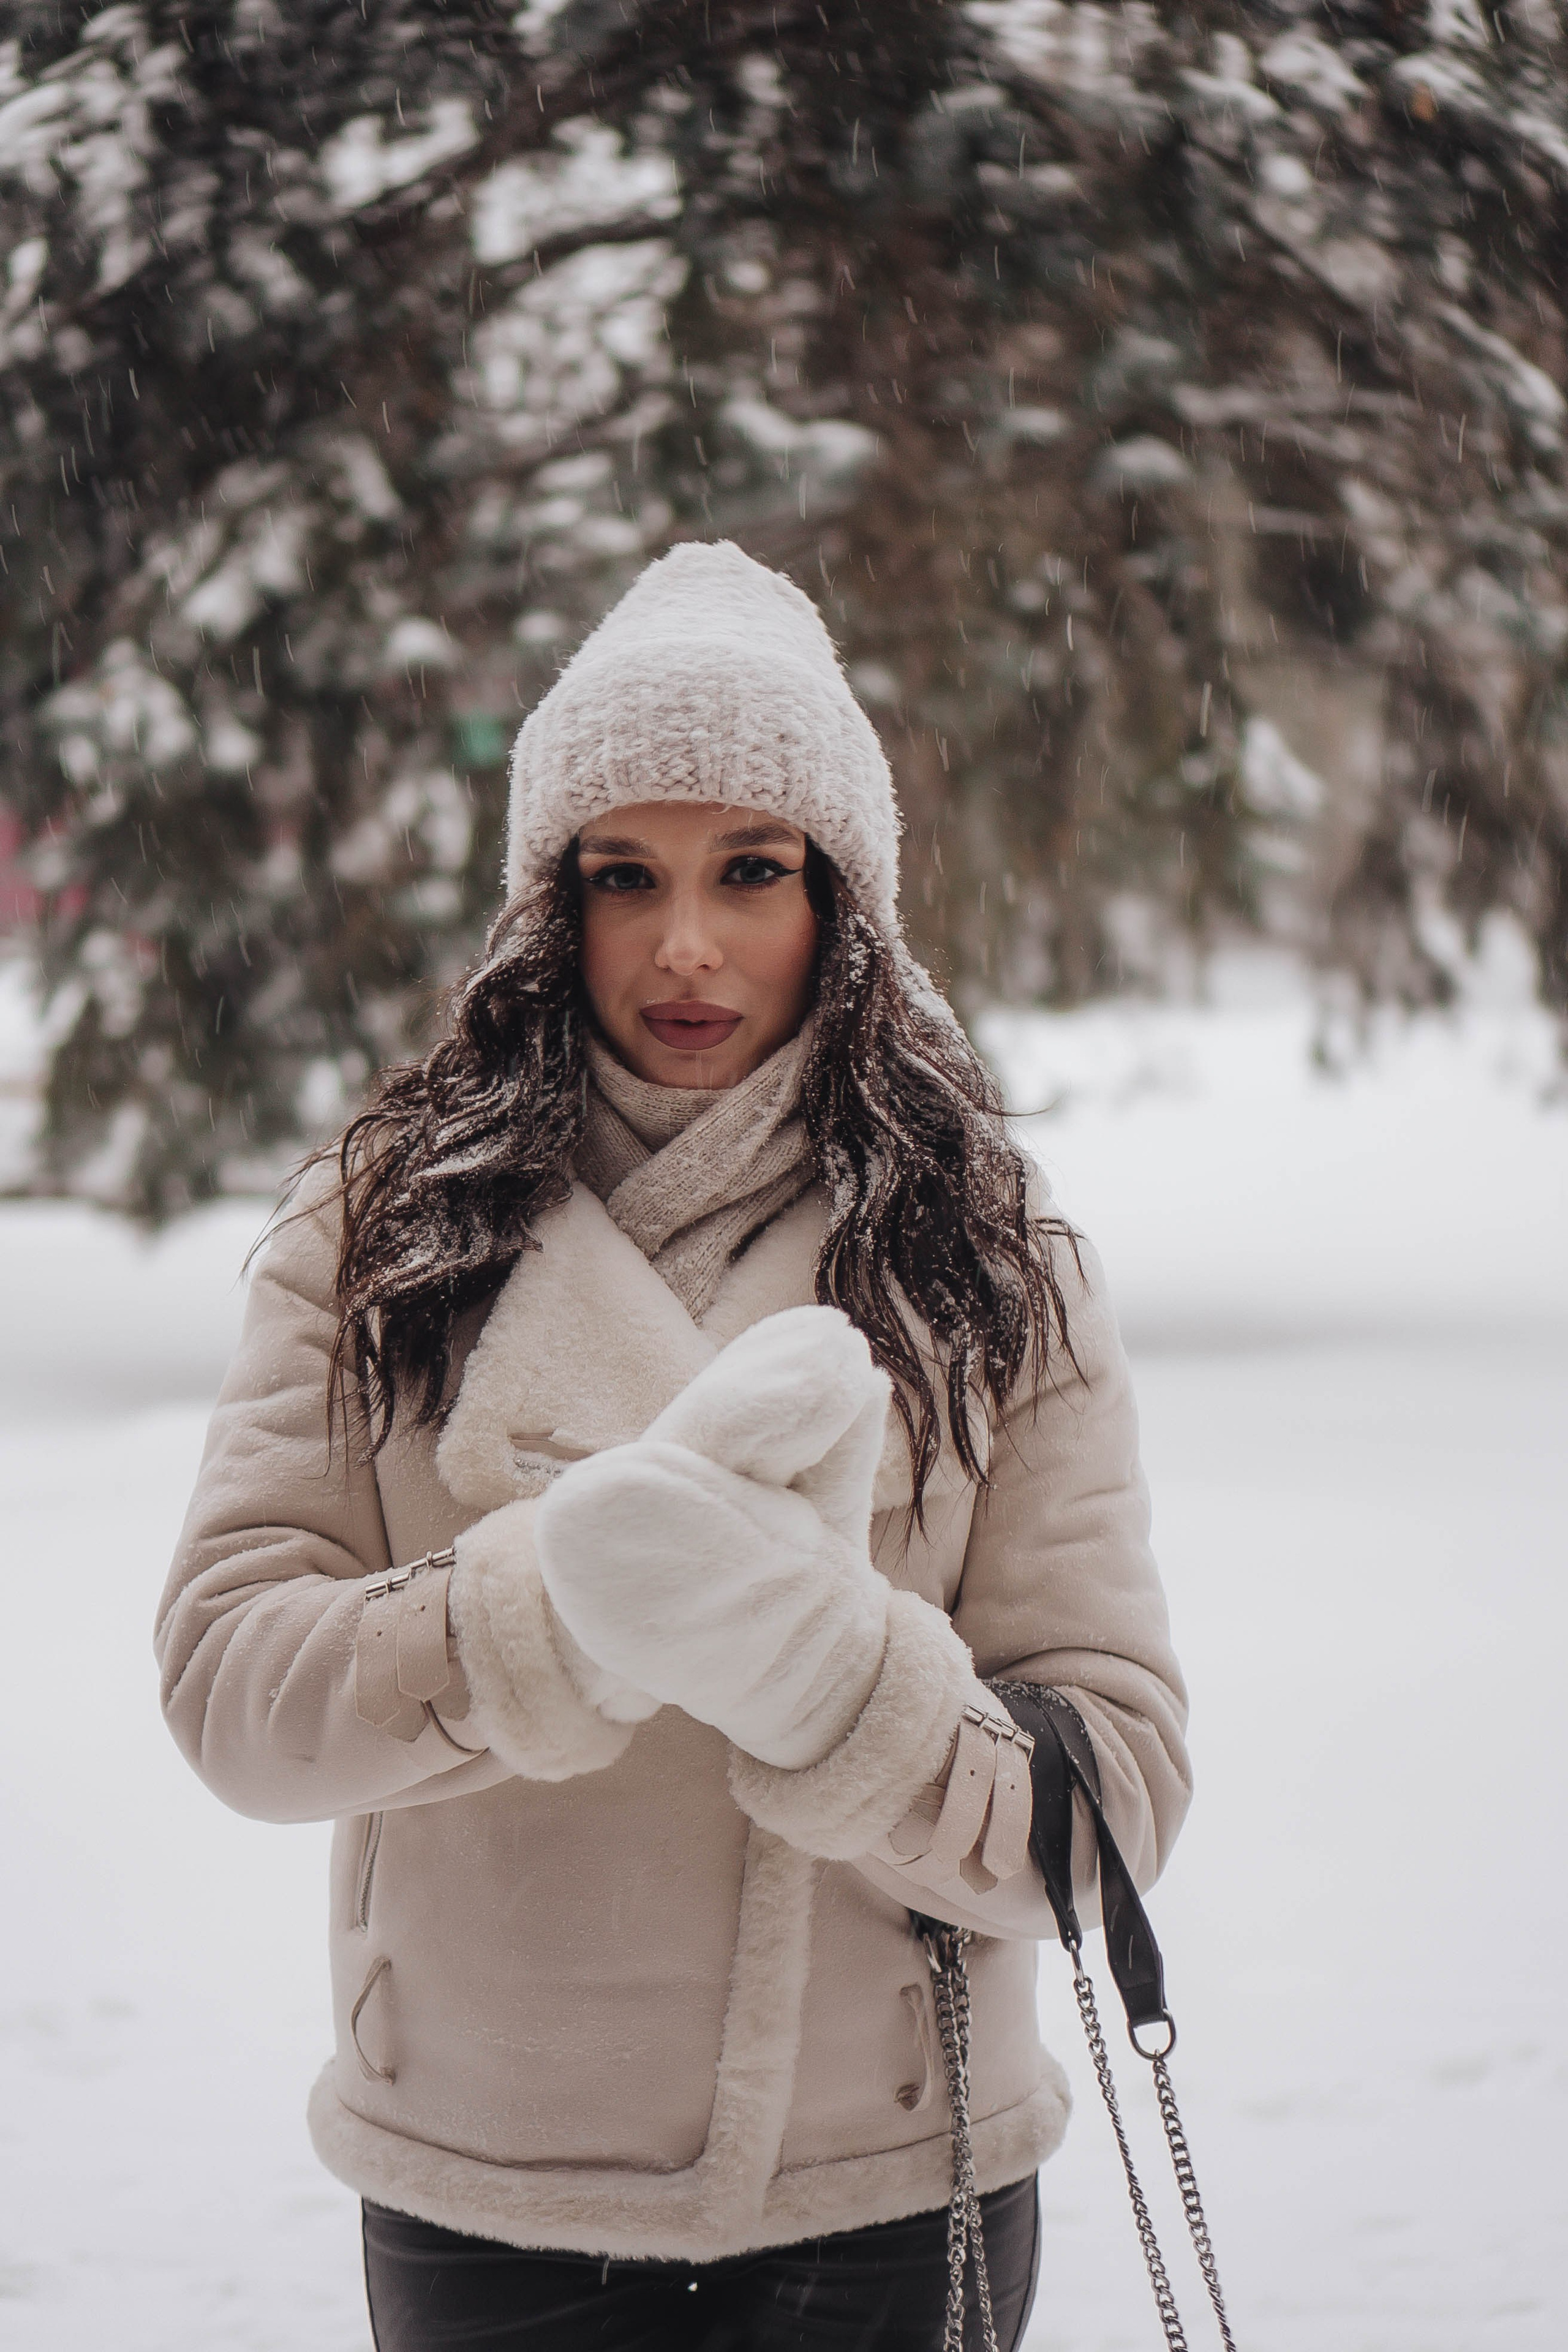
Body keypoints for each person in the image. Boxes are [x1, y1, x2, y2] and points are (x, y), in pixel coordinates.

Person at [156, 542, 1191, 2351]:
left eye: (751, 871)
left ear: (842, 899)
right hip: (491, 2188)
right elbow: (233, 1687)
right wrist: (543, 1616)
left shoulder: (985, 1256)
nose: (684, 945)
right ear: (547, 905)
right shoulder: (383, 1227)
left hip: (890, 2191)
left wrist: (835, 1687)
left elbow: (1114, 1796)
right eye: (623, 875)